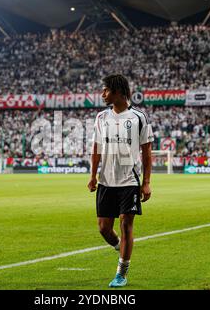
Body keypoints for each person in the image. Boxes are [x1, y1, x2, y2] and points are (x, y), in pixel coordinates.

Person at [87, 74, 154, 287]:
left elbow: (147, 152)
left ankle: (121, 272)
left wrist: (146, 182)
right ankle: (119, 246)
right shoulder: (101, 118)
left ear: (117, 92)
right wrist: (92, 176)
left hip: (129, 181)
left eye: (105, 90)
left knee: (126, 224)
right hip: (106, 180)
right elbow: (96, 148)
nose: (102, 94)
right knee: (104, 228)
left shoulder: (138, 117)